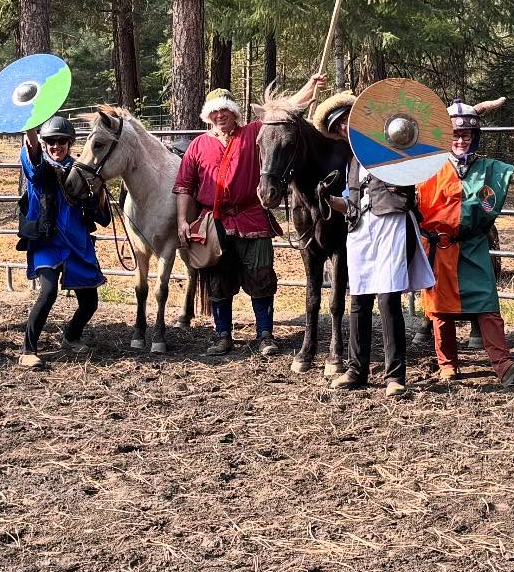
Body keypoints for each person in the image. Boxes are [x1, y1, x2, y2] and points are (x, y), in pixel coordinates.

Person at [174, 74, 327, 356]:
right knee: (218, 281)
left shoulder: (255, 132)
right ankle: (222, 335)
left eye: (225, 110)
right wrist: (183, 220)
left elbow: (285, 110)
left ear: (234, 112)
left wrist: (311, 85)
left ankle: (265, 334)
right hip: (214, 222)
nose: (221, 116)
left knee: (261, 278)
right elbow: (185, 186)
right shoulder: (198, 146)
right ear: (208, 116)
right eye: (215, 112)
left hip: (252, 217)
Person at [316, 93, 434, 397]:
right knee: (359, 299)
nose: (344, 128)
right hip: (360, 229)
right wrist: (327, 199)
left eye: (346, 120)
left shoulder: (393, 143)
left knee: (388, 298)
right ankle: (356, 370)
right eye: (338, 127)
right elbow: (351, 203)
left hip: (391, 222)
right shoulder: (352, 162)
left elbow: (416, 168)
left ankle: (395, 375)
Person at [418, 98, 514, 386]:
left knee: (487, 305)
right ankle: (448, 365)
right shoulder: (427, 167)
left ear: (475, 136)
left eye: (466, 135)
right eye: (455, 135)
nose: (460, 140)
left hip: (474, 245)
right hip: (439, 247)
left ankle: (504, 366)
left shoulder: (488, 168)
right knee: (440, 309)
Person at [19, 114, 111, 370]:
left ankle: (71, 336)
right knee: (48, 293)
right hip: (47, 243)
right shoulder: (38, 166)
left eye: (61, 141)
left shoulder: (81, 169)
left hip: (77, 243)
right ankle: (28, 350)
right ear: (44, 143)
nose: (56, 146)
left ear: (70, 143)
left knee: (90, 302)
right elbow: (33, 154)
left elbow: (100, 212)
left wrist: (97, 192)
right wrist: (31, 129)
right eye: (51, 141)